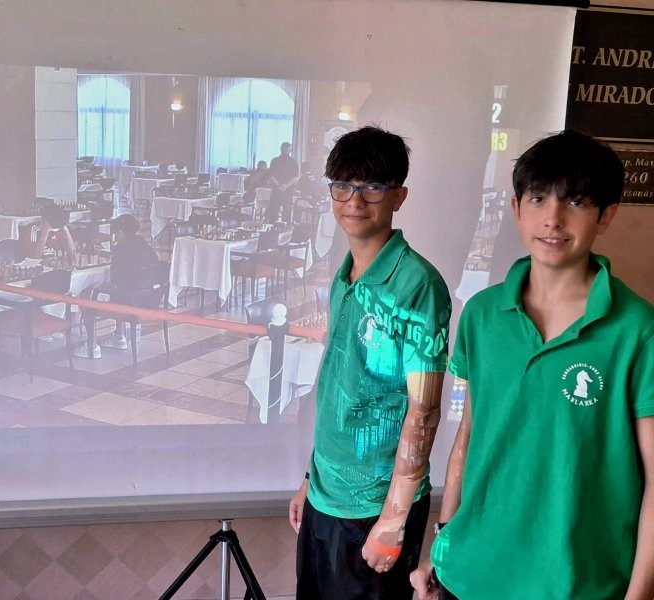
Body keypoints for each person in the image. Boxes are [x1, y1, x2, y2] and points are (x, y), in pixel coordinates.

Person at [411, 130, 654, 600]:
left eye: (576, 202)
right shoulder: (482, 314)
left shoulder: (637, 330)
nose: (553, 219)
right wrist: (441, 547)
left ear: (606, 215)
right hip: (471, 572)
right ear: (516, 208)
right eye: (538, 198)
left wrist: (640, 593)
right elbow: (470, 436)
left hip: (576, 583)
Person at [290, 126, 452, 599]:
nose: (355, 200)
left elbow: (424, 409)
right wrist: (309, 480)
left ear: (399, 195)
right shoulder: (345, 276)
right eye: (343, 185)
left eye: (373, 187)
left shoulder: (417, 285)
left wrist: (394, 518)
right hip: (326, 494)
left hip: (375, 505)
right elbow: (342, 387)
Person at [72, 214, 159, 358]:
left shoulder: (121, 248)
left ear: (120, 232)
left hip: (132, 301)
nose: (114, 237)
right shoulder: (145, 246)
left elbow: (115, 279)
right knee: (120, 288)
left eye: (115, 233)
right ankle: (119, 336)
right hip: (150, 298)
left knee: (86, 294)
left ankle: (91, 346)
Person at [265, 141, 300, 223]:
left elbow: (270, 175)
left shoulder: (275, 160)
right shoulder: (293, 161)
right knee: (284, 212)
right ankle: (284, 228)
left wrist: (279, 185)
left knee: (276, 211)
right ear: (290, 151)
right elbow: (295, 177)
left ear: (280, 149)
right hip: (286, 189)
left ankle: (273, 227)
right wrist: (285, 186)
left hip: (279, 189)